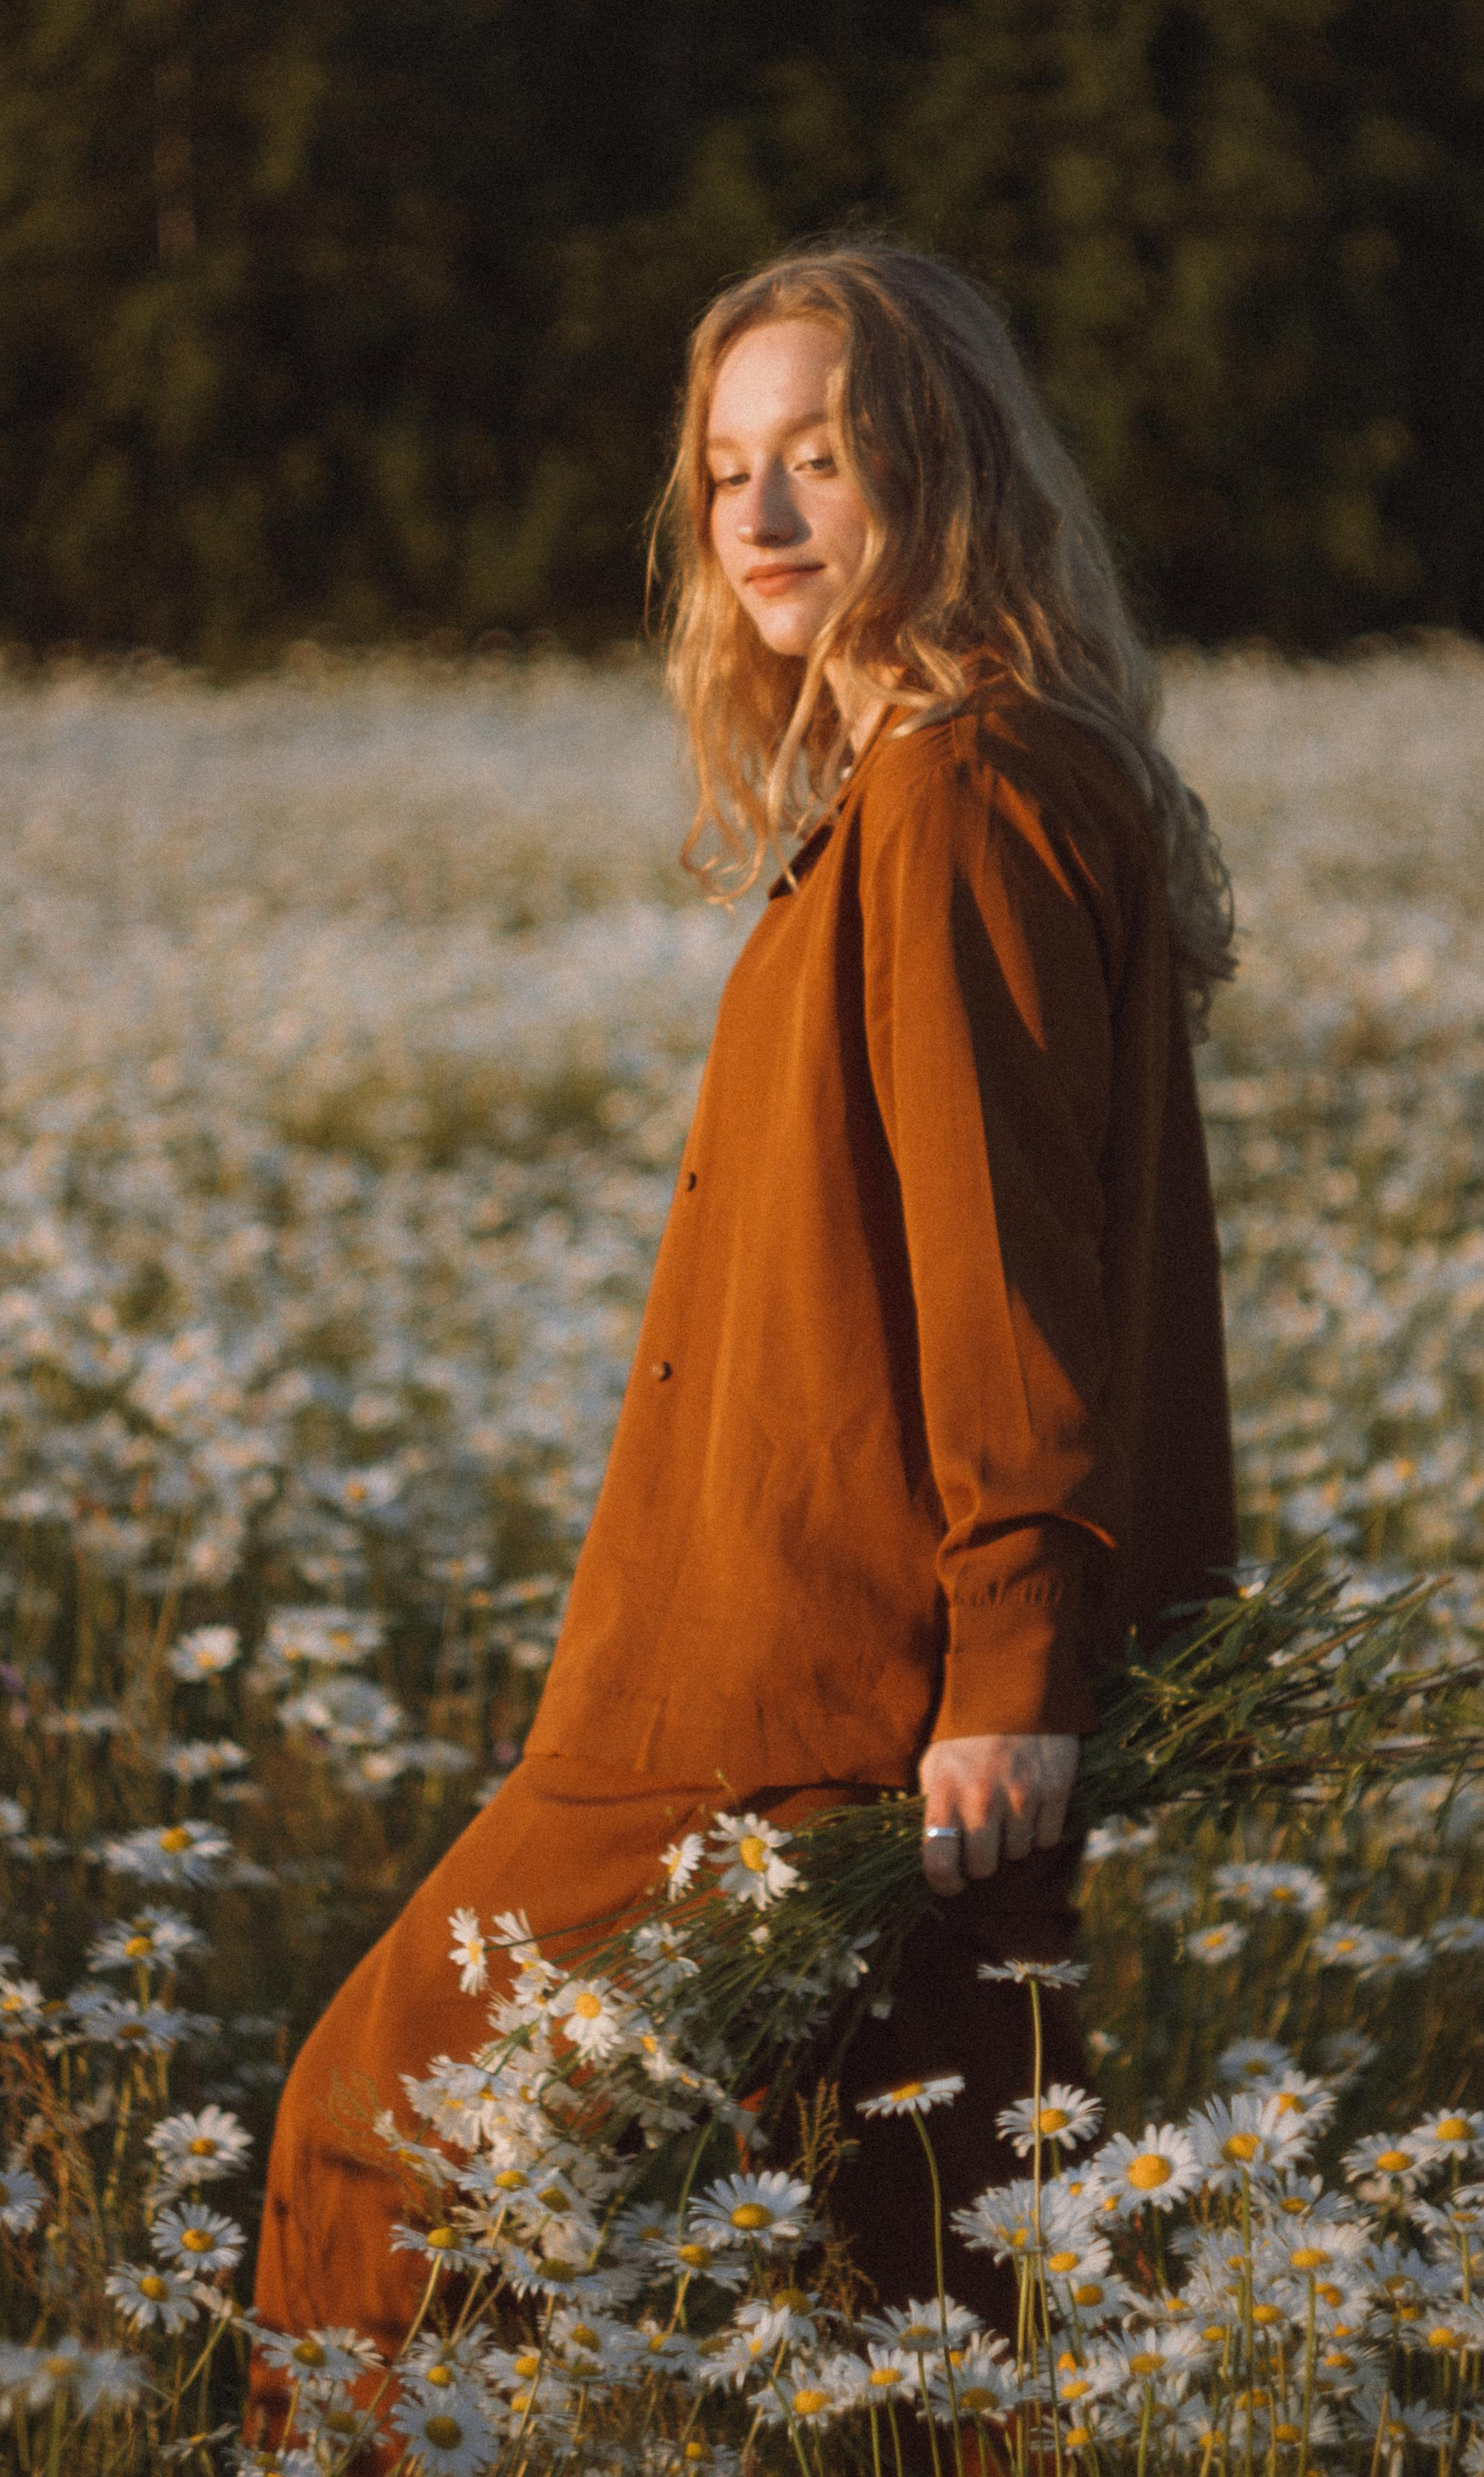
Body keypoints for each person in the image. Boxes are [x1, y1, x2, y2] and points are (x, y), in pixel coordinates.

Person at [250, 237, 1239, 2413]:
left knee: (378, 2141)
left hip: (808, 1688)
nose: (764, 517)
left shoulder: (963, 793)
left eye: (825, 458)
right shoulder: (964, 777)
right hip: (871, 1676)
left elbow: (1009, 1264)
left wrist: (1012, 1663)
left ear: (945, 475)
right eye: (727, 470)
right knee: (934, 2298)